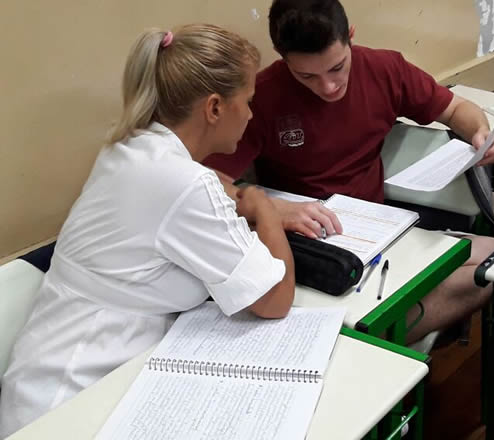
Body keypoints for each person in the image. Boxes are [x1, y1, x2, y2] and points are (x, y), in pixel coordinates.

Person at [0, 25, 295, 437]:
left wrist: (236, 197)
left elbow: (192, 189)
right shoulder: (184, 182)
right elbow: (276, 300)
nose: (250, 114)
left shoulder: (128, 147)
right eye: (248, 101)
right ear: (214, 108)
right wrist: (265, 207)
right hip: (68, 406)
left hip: (49, 381)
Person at [206, 0, 494, 343]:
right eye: (307, 76)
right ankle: (376, 333)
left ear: (350, 36)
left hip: (378, 228)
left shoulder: (384, 69)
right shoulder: (262, 95)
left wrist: (479, 133)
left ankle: (375, 335)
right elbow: (205, 179)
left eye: (337, 67)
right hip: (309, 242)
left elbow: (456, 108)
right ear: (282, 57)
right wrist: (273, 209)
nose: (329, 87)